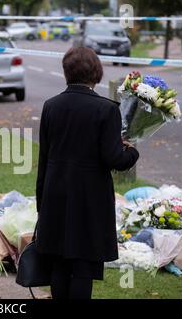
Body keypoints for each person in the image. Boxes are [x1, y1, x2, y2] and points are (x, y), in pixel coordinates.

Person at [35, 46, 139, 300]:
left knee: (59, 263)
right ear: (96, 73)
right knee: (83, 266)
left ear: (66, 72)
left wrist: (42, 203)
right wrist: (132, 151)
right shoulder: (106, 109)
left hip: (56, 193)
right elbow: (114, 158)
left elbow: (44, 158)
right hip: (90, 198)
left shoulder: (51, 106)